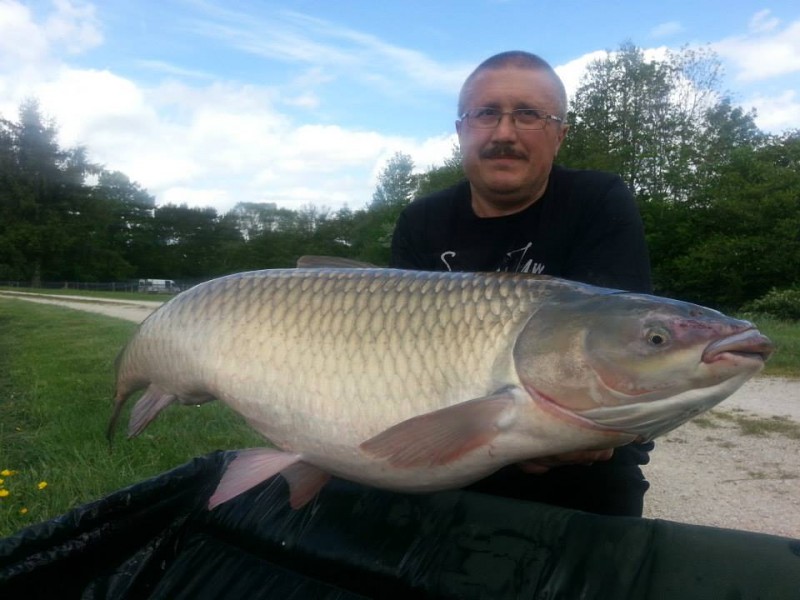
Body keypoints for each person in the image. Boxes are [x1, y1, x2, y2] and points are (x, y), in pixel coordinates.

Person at [390, 51, 654, 517]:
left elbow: (620, 352)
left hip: (578, 472)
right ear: (461, 130)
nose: (504, 133)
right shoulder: (420, 220)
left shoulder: (596, 201)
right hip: (448, 449)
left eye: (529, 114)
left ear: (560, 134)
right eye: (486, 113)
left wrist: (565, 433)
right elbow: (399, 365)